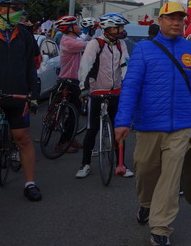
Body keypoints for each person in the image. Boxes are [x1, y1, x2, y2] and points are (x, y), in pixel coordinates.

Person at [114, 2, 191, 246]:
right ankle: (146, 204)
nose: (176, 22)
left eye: (180, 18)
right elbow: (131, 87)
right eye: (170, 18)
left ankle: (160, 227)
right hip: (148, 125)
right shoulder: (144, 49)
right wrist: (122, 120)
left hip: (182, 126)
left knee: (171, 177)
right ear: (160, 21)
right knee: (145, 170)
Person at [0, 0, 42, 201]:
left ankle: (30, 183)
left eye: (20, 8)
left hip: (17, 95)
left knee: (22, 138)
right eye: (15, 8)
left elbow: (31, 67)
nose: (19, 12)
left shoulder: (25, 35)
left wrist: (33, 95)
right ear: (0, 9)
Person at [76, 13, 133, 179]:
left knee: (118, 129)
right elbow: (85, 66)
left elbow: (125, 64)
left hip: (116, 91)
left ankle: (121, 164)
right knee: (92, 129)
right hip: (97, 91)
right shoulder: (95, 44)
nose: (122, 31)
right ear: (108, 29)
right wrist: (83, 88)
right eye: (119, 27)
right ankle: (85, 164)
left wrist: (127, 83)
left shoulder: (121, 44)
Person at [55, 15, 87, 152]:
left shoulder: (73, 39)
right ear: (70, 28)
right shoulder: (68, 42)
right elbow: (88, 45)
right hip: (69, 81)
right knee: (72, 113)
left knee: (75, 112)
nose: (79, 27)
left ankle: (70, 138)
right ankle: (62, 143)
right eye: (76, 25)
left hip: (74, 80)